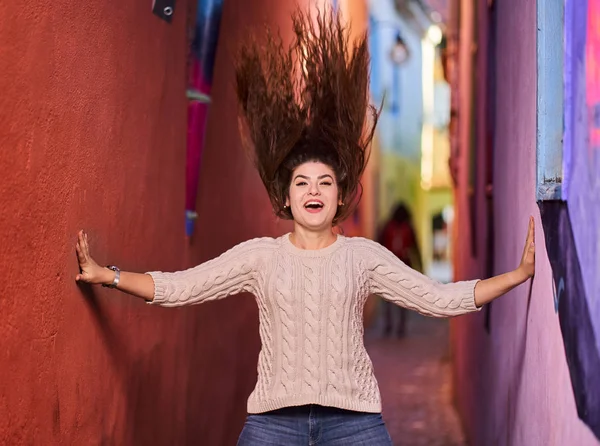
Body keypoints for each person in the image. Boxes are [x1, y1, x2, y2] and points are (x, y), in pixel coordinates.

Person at [75, 7, 536, 445]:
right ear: (286, 195)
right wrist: (108, 275)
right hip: (273, 426)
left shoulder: (363, 257)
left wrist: (515, 277)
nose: (313, 190)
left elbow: (437, 299)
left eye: (324, 182)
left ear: (340, 194)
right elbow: (182, 287)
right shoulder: (260, 257)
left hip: (354, 424)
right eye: (302, 182)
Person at [377, 203, 422, 337]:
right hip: (397, 265)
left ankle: (393, 325)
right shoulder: (398, 227)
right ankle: (395, 325)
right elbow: (415, 248)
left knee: (393, 298)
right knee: (397, 298)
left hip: (395, 265)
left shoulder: (390, 227)